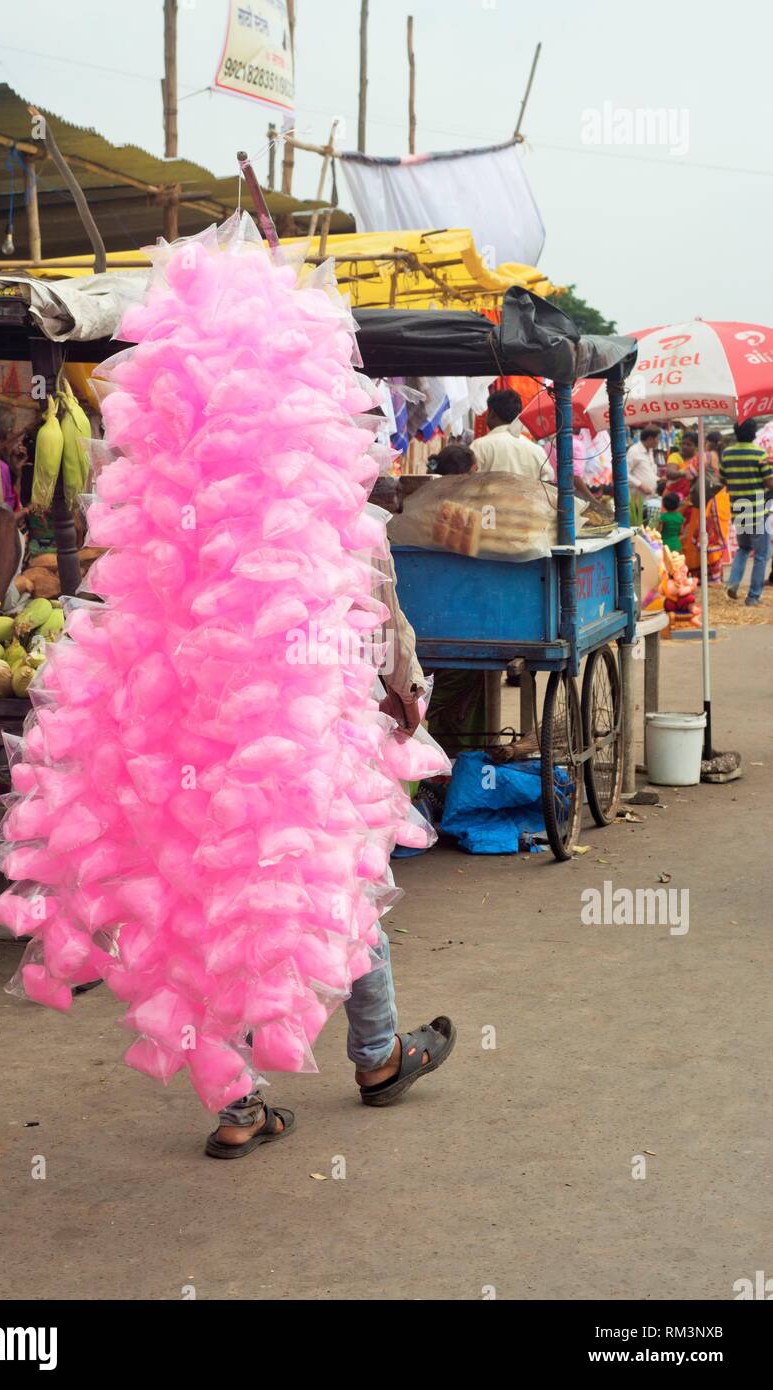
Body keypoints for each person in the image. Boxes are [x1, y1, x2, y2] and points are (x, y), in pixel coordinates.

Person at [205, 476, 457, 1158]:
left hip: (209, 767)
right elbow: (392, 648)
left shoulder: (201, 523)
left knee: (226, 923)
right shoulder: (351, 528)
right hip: (319, 761)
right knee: (346, 900)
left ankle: (237, 1108)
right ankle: (377, 1055)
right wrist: (407, 706)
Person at [720, 418, 773, 606]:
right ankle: (753, 596)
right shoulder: (759, 454)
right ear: (753, 433)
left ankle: (733, 584)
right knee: (761, 554)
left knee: (743, 549)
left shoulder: (727, 454)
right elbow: (769, 483)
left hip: (739, 508)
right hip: (758, 509)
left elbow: (723, 480)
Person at [470, 388, 552, 482]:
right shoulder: (537, 451)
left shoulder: (478, 446)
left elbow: (466, 483)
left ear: (492, 413)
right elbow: (547, 484)